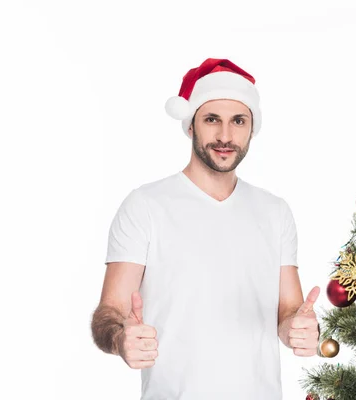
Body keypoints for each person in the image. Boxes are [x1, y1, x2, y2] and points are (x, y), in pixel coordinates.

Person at [91, 58, 320, 399]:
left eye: (238, 121)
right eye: (212, 119)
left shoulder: (275, 212)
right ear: (190, 126)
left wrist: (297, 330)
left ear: (251, 129)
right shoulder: (146, 205)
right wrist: (120, 338)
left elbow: (288, 311)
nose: (225, 136)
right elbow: (109, 313)